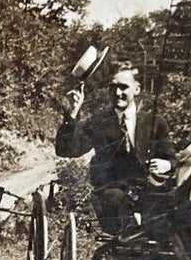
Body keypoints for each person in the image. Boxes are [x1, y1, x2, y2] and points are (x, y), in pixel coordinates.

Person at [55, 63, 176, 233]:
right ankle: (132, 239)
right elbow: (67, 150)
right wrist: (73, 113)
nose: (117, 93)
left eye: (123, 87)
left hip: (149, 191)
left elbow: (172, 159)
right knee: (115, 201)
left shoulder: (155, 122)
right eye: (113, 88)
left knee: (172, 209)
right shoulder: (99, 122)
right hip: (112, 194)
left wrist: (166, 165)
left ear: (137, 89)